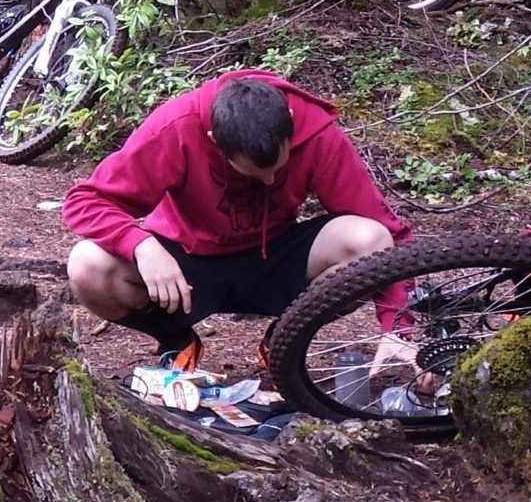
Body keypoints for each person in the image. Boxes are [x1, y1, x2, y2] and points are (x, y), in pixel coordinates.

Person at [62, 70, 408, 376]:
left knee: (370, 240)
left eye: (278, 167)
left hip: (274, 258)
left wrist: (398, 328)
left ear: (289, 122)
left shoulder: (315, 131)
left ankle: (285, 340)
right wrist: (142, 246)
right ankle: (173, 337)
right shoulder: (177, 127)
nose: (271, 181)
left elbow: (387, 229)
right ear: (215, 142)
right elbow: (83, 202)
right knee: (87, 265)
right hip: (187, 266)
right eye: (256, 173)